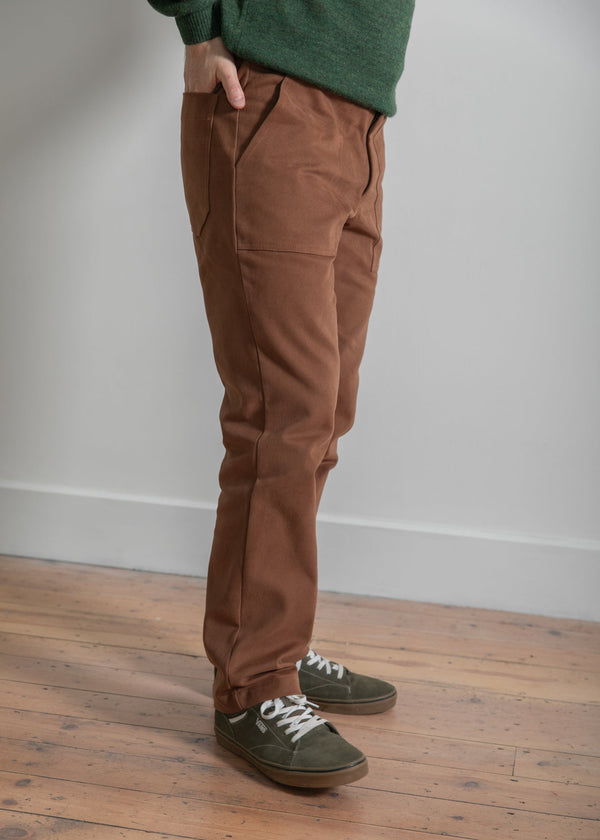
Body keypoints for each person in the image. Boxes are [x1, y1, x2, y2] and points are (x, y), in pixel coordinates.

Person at [146, 0, 415, 788]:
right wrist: (199, 25)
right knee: (282, 415)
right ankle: (254, 682)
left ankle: (274, 642)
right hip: (268, 100)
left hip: (361, 124)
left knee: (323, 414)